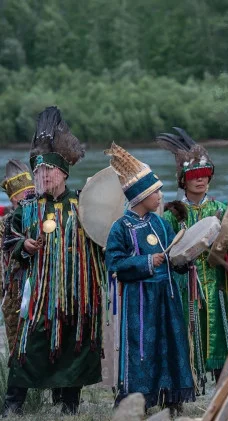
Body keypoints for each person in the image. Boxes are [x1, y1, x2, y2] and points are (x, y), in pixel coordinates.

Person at [2, 107, 107, 415]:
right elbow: (10, 239)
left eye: (47, 171)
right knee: (28, 349)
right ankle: (13, 407)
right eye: (37, 172)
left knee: (75, 345)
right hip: (40, 298)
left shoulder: (82, 203)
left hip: (79, 293)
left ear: (63, 172)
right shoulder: (28, 208)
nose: (42, 177)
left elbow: (103, 238)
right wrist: (25, 246)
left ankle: (69, 406)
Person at [104, 144, 195, 413]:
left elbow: (172, 257)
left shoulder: (160, 223)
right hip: (140, 301)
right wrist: (146, 261)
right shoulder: (121, 227)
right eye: (155, 191)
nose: (159, 196)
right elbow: (114, 263)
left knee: (172, 344)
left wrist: (183, 260)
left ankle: (172, 398)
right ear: (140, 195)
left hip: (166, 296)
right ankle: (138, 401)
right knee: (142, 350)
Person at [156, 128, 228, 387]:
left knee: (220, 333)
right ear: (184, 180)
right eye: (194, 175)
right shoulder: (173, 213)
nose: (200, 180)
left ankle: (222, 387)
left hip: (216, 284)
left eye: (205, 174)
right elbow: (166, 253)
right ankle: (186, 389)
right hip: (186, 288)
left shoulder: (220, 210)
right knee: (187, 335)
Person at [0, 160, 34, 355]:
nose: (29, 198)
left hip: (40, 286)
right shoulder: (6, 224)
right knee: (17, 346)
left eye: (32, 193)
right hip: (14, 291)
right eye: (24, 195)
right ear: (13, 200)